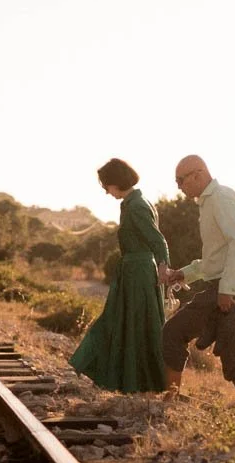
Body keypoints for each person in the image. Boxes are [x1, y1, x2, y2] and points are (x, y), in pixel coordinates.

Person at [159, 155, 235, 410]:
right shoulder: (210, 202)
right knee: (231, 353)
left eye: (180, 180)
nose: (179, 187)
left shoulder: (221, 199)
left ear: (198, 175)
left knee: (174, 332)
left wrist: (227, 289)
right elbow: (214, 259)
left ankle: (170, 403)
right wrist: (183, 273)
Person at [69, 158, 169, 393]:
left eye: (107, 186)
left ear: (116, 181)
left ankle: (135, 382)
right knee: (122, 323)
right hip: (132, 271)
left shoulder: (137, 206)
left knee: (134, 325)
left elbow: (158, 240)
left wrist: (164, 268)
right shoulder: (132, 203)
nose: (107, 191)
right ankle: (124, 380)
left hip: (139, 273)